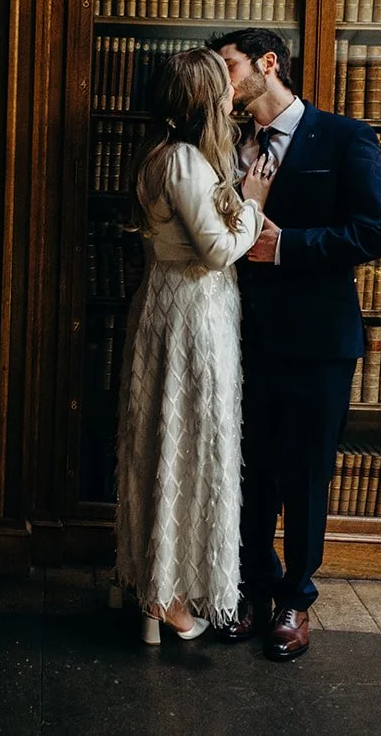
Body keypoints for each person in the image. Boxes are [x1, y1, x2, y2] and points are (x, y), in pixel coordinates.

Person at [207, 27, 381, 661]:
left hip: (318, 340)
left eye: (229, 66)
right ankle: (254, 590)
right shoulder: (229, 142)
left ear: (267, 63)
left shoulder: (344, 137)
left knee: (306, 475)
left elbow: (374, 233)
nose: (222, 79)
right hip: (240, 337)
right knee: (250, 471)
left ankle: (295, 599)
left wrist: (285, 245)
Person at [115, 47, 275, 646]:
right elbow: (217, 252)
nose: (231, 95)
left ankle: (159, 589)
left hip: (168, 306)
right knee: (186, 442)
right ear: (202, 98)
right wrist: (254, 206)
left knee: (167, 441)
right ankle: (169, 598)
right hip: (191, 314)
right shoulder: (184, 160)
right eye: (221, 86)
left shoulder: (164, 154)